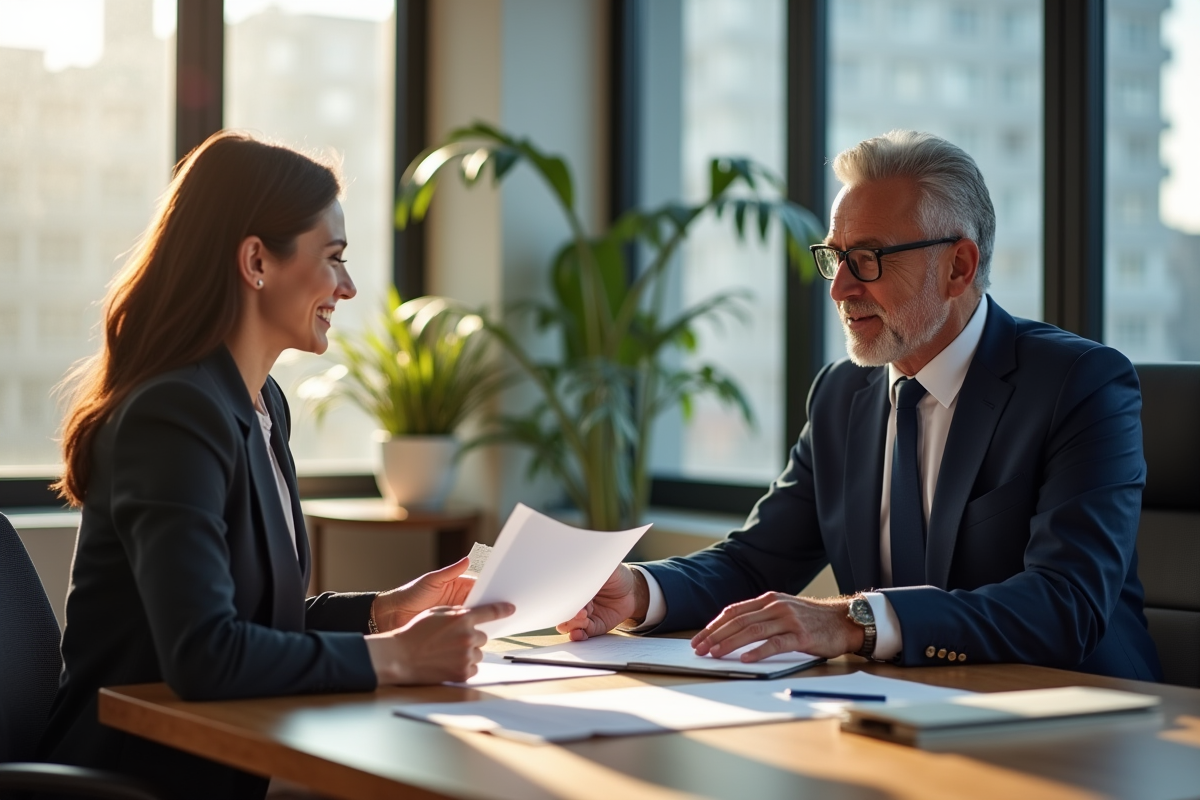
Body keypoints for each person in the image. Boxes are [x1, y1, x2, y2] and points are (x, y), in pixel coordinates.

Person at [559, 130, 1162, 682]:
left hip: (1082, 718)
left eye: (868, 259)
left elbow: (1067, 605)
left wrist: (855, 621)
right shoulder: (842, 393)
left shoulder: (1079, 384)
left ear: (959, 266)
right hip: (901, 711)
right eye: (833, 258)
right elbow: (756, 563)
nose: (841, 288)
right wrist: (639, 590)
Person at [38, 131, 513, 799]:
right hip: (136, 778)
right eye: (334, 258)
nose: (348, 287)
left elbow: (252, 622)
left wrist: (385, 613)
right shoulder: (174, 414)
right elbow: (207, 654)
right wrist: (401, 657)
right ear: (257, 261)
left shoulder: (260, 407)